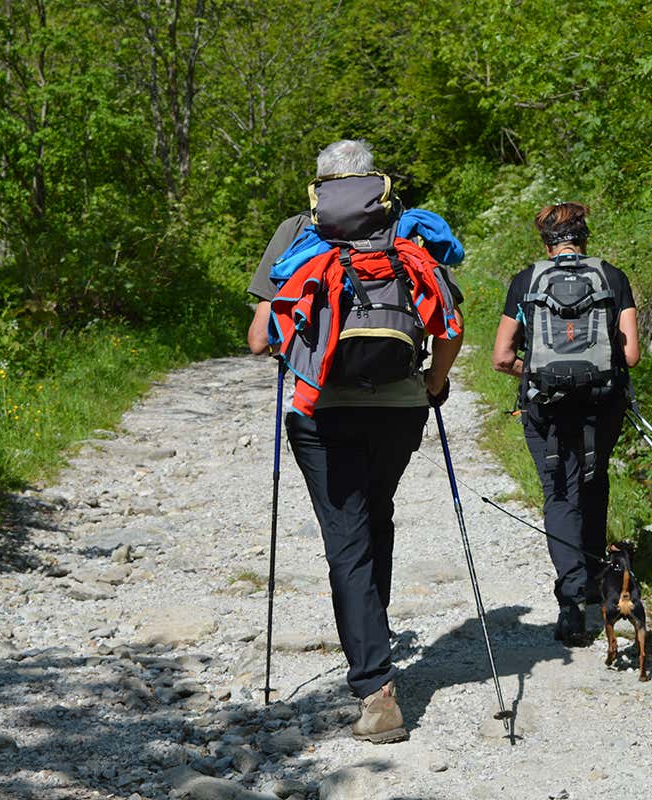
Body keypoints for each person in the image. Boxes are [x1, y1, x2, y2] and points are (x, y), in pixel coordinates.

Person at [246, 139, 465, 743]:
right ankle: (375, 629)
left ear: (319, 188)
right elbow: (449, 324)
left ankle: (376, 689)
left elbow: (261, 338)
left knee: (346, 540)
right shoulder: (409, 233)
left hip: (322, 412)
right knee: (377, 515)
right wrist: (432, 385)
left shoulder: (297, 232)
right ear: (375, 183)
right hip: (399, 408)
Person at [491, 202, 639, 645]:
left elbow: (501, 357)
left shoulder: (527, 281)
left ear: (546, 242)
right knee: (593, 482)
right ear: (585, 236)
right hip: (602, 403)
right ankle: (601, 589)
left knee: (559, 493)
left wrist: (535, 374)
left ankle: (570, 606)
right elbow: (629, 355)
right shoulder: (612, 277)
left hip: (545, 407)